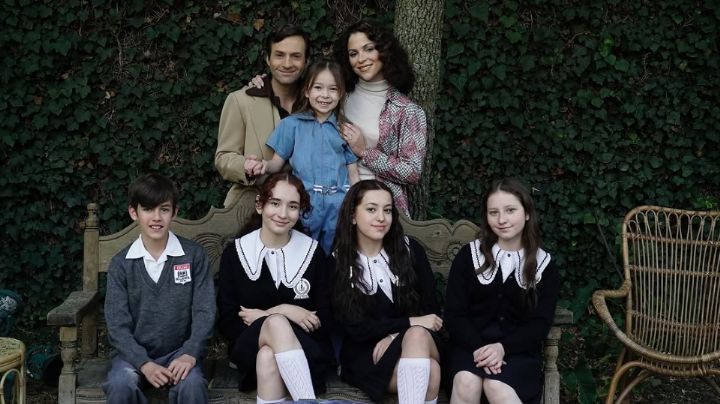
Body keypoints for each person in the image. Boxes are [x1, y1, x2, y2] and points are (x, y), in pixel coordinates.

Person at [217, 172, 334, 402]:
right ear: (260, 205)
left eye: (292, 206)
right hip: (249, 351)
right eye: (275, 203)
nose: (283, 214)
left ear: (300, 211)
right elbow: (228, 322)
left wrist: (269, 314)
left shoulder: (313, 253)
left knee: (268, 356)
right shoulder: (236, 253)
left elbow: (327, 319)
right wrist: (282, 314)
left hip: (307, 351)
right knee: (272, 334)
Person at [444, 178, 560, 404]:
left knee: (496, 385)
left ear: (527, 213)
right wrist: (481, 349)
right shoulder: (469, 256)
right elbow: (455, 314)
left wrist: (502, 348)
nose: (502, 219)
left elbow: (540, 323)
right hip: (469, 348)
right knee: (466, 381)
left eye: (510, 210)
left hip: (519, 353)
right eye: (493, 212)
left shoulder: (544, 265)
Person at [103, 173, 215, 404]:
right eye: (148, 209)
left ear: (174, 212)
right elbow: (117, 325)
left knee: (193, 385)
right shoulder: (121, 264)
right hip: (132, 357)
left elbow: (205, 311)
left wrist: (190, 352)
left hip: (180, 353)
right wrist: (143, 363)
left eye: (164, 209)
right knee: (120, 385)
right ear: (134, 213)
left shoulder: (193, 256)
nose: (156, 218)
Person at [330, 180, 442, 404]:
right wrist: (410, 323)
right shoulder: (339, 261)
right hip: (368, 354)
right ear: (352, 216)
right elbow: (355, 329)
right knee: (431, 371)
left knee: (417, 336)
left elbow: (432, 316)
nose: (381, 218)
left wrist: (396, 336)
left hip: (421, 343)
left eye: (388, 210)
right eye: (372, 209)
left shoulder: (411, 251)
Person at [246, 60, 360, 253]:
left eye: (333, 89)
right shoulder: (291, 125)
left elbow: (353, 173)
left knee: (334, 255)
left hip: (338, 204)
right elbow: (276, 164)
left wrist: (357, 203)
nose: (325, 95)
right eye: (318, 87)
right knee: (300, 251)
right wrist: (263, 165)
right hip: (303, 203)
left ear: (341, 94)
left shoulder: (346, 130)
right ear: (307, 91)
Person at [333, 20, 427, 217]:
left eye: (369, 49)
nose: (361, 59)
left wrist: (364, 152)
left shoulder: (407, 111)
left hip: (382, 210)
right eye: (353, 53)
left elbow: (412, 171)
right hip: (334, 202)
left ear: (384, 51)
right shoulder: (337, 97)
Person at [215, 25, 309, 207]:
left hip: (308, 208)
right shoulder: (240, 100)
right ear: (268, 59)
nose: (287, 64)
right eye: (279, 55)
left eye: (296, 56)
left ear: (306, 61)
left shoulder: (317, 103)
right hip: (250, 206)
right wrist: (246, 166)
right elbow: (223, 157)